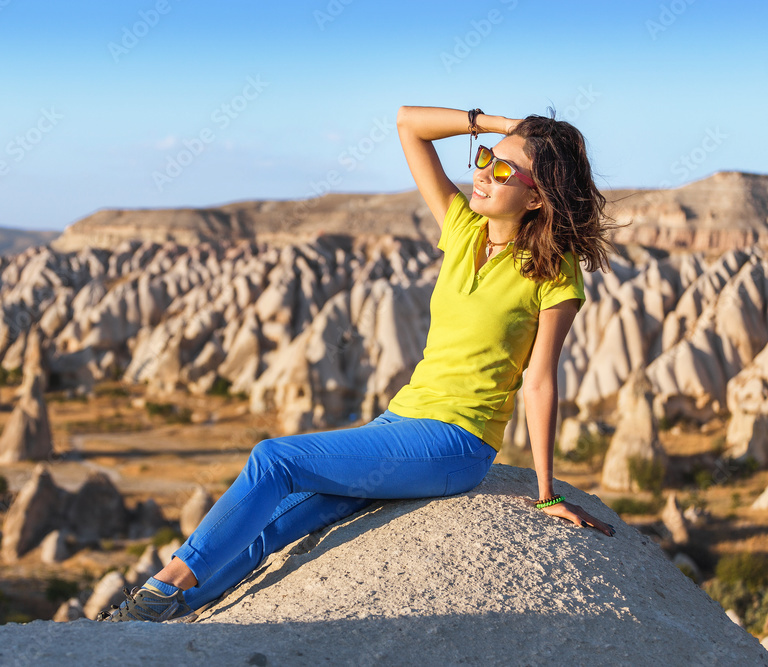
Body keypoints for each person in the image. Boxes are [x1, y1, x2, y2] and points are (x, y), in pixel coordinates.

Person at [99, 105, 618, 623]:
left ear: (536, 196)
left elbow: (541, 379)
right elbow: (408, 124)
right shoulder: (463, 229)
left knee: (273, 460)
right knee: (273, 525)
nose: (481, 172)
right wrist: (508, 130)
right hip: (400, 422)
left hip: (458, 442)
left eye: (503, 170)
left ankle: (166, 583)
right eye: (483, 158)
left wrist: (546, 494)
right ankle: (152, 616)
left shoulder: (554, 272)